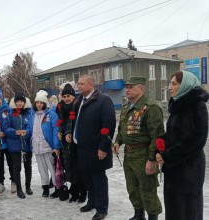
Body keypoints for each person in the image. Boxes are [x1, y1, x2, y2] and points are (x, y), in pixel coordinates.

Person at [156, 71, 208, 220]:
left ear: (185, 85)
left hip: (189, 168)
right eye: (170, 83)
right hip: (174, 167)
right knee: (174, 208)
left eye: (174, 84)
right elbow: (174, 133)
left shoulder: (196, 105)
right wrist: (161, 142)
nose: (169, 87)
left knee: (188, 209)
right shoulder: (178, 104)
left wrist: (168, 155)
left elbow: (197, 139)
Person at [113, 76, 164, 220]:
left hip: (144, 154)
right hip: (129, 155)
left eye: (131, 87)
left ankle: (152, 217)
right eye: (126, 87)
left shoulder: (151, 108)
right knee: (132, 187)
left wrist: (151, 158)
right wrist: (118, 142)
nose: (127, 90)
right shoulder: (125, 108)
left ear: (141, 88)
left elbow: (158, 136)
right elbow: (122, 128)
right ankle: (138, 214)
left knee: (147, 189)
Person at [66, 74, 116, 220]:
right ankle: (92, 202)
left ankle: (102, 208)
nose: (78, 86)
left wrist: (103, 147)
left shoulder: (103, 100)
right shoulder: (78, 100)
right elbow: (73, 119)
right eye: (78, 84)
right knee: (87, 178)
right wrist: (69, 131)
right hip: (80, 148)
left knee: (98, 179)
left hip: (95, 149)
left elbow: (108, 125)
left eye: (81, 84)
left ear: (90, 85)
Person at [23, 90, 61, 197]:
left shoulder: (51, 115)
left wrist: (56, 146)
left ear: (45, 103)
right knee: (42, 169)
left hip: (49, 147)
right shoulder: (32, 115)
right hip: (37, 147)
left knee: (52, 169)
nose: (39, 105)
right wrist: (25, 132)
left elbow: (55, 131)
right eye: (37, 102)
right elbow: (30, 129)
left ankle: (57, 188)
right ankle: (45, 188)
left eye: (41, 102)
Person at [56, 83, 87, 203]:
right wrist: (59, 131)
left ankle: (83, 192)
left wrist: (70, 132)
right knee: (68, 168)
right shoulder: (60, 107)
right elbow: (60, 122)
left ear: (74, 96)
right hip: (65, 142)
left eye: (69, 96)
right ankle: (73, 192)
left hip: (76, 141)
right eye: (64, 96)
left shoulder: (78, 106)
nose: (66, 98)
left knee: (78, 168)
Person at [3, 92, 33, 199]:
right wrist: (15, 132)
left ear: (25, 103)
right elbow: (5, 128)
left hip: (26, 145)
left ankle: (28, 187)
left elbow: (31, 127)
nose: (19, 103)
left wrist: (27, 132)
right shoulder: (10, 114)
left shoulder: (29, 113)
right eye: (18, 102)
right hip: (14, 145)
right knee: (16, 167)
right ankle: (19, 189)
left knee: (28, 166)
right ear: (15, 103)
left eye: (21, 101)